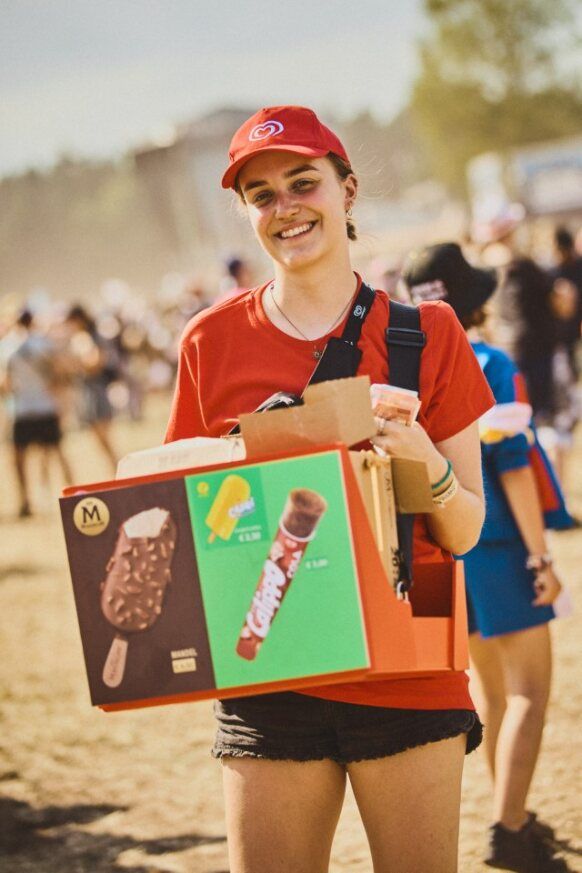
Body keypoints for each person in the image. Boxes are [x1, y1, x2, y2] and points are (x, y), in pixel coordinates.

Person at [165, 106, 495, 873]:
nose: (286, 208)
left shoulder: (428, 333)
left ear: (347, 191)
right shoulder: (208, 343)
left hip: (408, 668)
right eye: (261, 194)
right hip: (269, 663)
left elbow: (468, 528)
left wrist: (420, 457)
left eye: (303, 183)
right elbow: (181, 504)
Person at [403, 243, 572, 873]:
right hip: (498, 546)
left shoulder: (403, 370)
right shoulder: (492, 362)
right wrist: (541, 559)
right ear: (474, 301)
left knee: (492, 695)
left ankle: (516, 813)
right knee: (529, 692)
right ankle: (507, 831)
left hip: (438, 556)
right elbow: (514, 464)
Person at [1, 309, 73, 517]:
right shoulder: (43, 343)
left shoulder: (7, 346)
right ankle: (75, 494)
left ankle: (25, 501)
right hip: (45, 406)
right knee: (59, 453)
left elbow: (5, 382)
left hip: (22, 409)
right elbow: (59, 372)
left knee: (18, 459)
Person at [64, 304, 118, 472]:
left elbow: (95, 363)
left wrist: (76, 364)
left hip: (96, 390)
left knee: (103, 437)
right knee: (99, 438)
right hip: (88, 391)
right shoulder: (83, 338)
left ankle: (116, 468)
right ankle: (114, 468)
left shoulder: (92, 337)